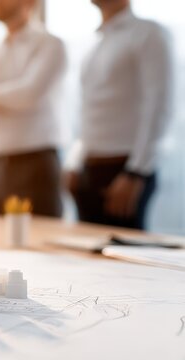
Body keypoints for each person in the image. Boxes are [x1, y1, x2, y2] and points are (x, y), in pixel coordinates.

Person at [66, 0, 174, 229]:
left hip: (123, 170)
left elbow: (158, 106)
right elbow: (88, 110)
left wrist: (136, 172)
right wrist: (75, 161)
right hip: (88, 169)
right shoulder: (95, 43)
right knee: (85, 260)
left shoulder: (147, 34)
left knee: (124, 258)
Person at [0, 0, 67, 217]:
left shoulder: (50, 45)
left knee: (38, 241)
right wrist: (8, 98)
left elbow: (29, 94)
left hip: (35, 165)